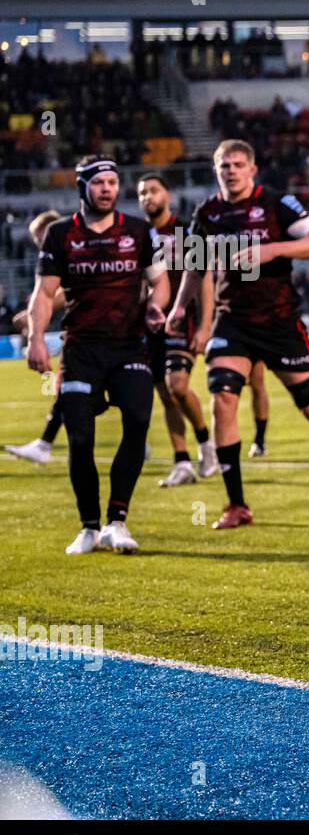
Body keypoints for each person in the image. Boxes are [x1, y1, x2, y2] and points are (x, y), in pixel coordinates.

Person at [168, 139, 309, 530]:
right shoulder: (207, 212)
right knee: (223, 400)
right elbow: (195, 267)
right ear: (216, 171)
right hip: (232, 321)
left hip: (280, 322)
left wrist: (273, 250)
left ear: (252, 168)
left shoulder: (277, 203)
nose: (230, 170)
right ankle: (237, 505)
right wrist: (180, 307)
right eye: (223, 165)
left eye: (236, 164)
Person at [25, 157, 170, 554]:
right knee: (81, 438)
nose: (107, 188)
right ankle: (89, 527)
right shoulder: (59, 235)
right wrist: (37, 338)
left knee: (138, 419)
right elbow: (43, 293)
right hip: (82, 349)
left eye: (112, 182)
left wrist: (158, 306)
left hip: (129, 346)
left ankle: (116, 522)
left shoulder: (139, 232)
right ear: (82, 187)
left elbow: (160, 282)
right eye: (98, 182)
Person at [136, 173, 219, 487]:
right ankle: (182, 462)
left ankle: (205, 444)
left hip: (184, 320)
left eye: (153, 191)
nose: (148, 197)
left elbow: (205, 278)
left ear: (167, 194)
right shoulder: (137, 235)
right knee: (165, 394)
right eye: (143, 192)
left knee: (178, 385)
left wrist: (204, 325)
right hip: (151, 325)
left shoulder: (187, 230)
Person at [6, 210, 71, 466]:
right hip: (82, 330)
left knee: (75, 387)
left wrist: (32, 318)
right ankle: (44, 444)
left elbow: (68, 292)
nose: (38, 244)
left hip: (98, 331)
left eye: (38, 237)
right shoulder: (60, 252)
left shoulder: (68, 248)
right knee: (74, 388)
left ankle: (44, 445)